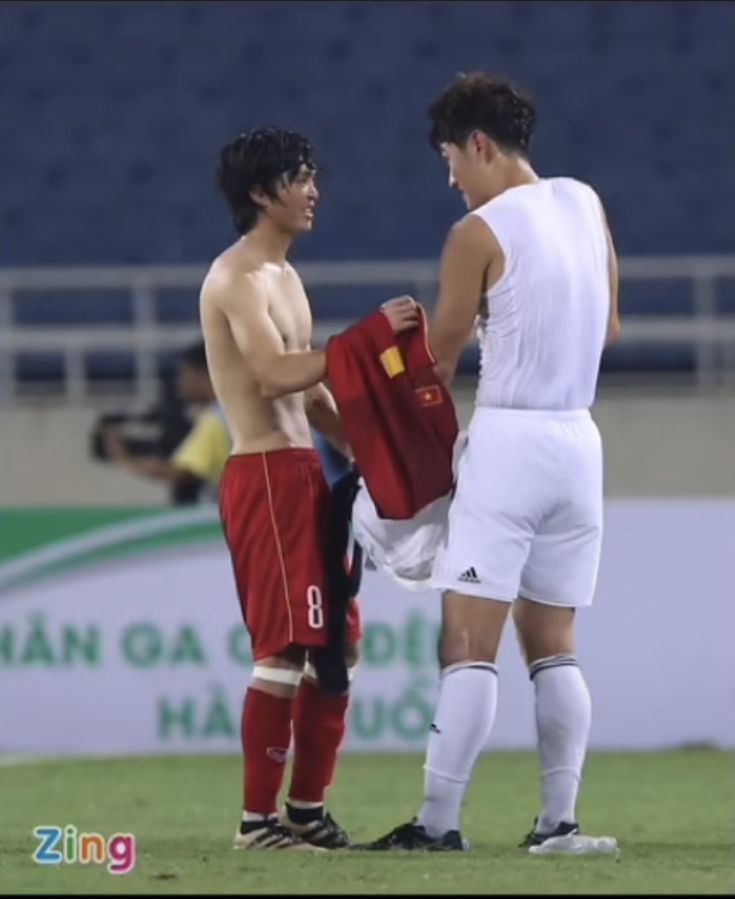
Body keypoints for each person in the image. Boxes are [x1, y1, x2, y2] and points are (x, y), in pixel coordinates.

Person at [362, 72, 621, 853]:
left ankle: (437, 822)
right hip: (578, 443)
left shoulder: (475, 234)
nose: (451, 180)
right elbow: (607, 327)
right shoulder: (585, 202)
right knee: (554, 643)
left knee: (467, 645)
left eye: (450, 160)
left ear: (478, 145)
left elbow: (434, 367)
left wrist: (377, 357)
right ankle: (558, 822)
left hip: (509, 443)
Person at [199, 127, 417, 851]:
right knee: (284, 650)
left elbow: (310, 391)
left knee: (337, 650)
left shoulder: (286, 278)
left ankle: (305, 810)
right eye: (299, 178)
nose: (314, 190)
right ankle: (255, 822)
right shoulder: (234, 278)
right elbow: (271, 376)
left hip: (307, 475)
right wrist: (366, 341)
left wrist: (367, 452)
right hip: (266, 476)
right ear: (262, 193)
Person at [102, 341, 231, 504]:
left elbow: (180, 473)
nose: (180, 381)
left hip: (221, 511)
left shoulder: (215, 419)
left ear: (206, 374)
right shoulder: (239, 411)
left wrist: (124, 458)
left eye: (185, 373)